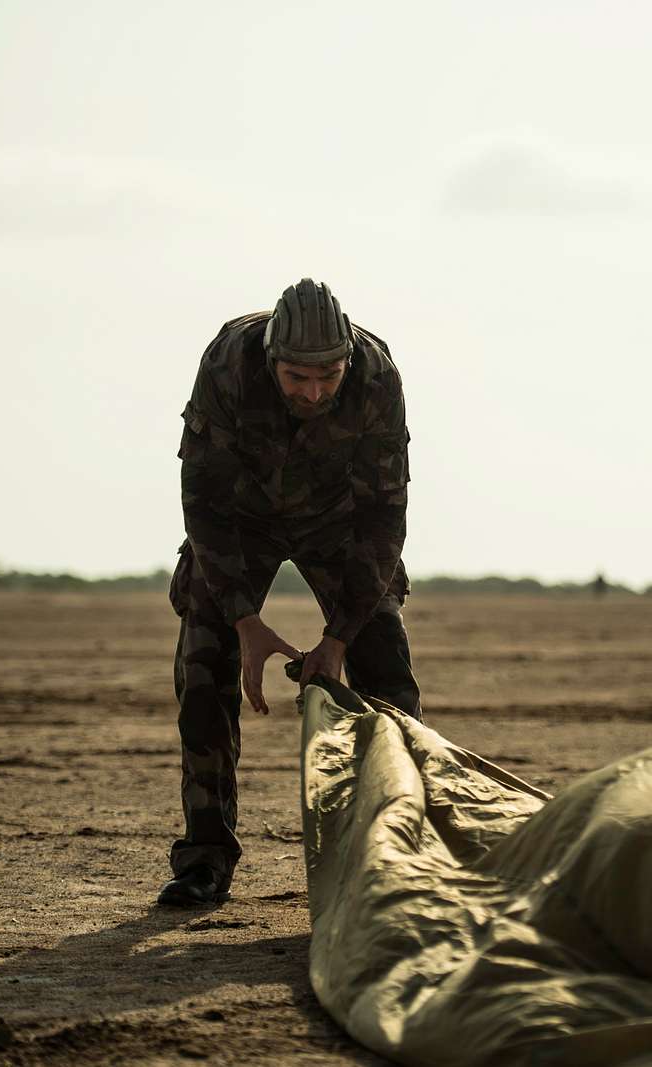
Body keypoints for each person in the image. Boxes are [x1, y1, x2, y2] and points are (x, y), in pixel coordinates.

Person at [159, 278, 420, 907]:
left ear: (347, 363)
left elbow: (385, 514)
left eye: (328, 377)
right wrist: (245, 621)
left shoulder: (377, 375)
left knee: (387, 669)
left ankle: (400, 853)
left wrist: (339, 639)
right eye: (297, 377)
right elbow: (204, 503)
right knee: (202, 669)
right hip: (241, 520)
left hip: (339, 518)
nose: (313, 392)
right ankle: (205, 859)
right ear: (272, 358)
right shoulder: (226, 363)